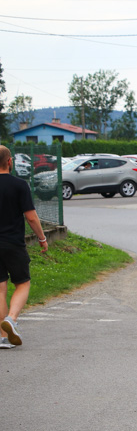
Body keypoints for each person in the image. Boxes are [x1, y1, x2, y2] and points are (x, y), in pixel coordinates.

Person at [0, 145, 49, 349]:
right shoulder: (19, 185)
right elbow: (30, 216)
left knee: (0, 288)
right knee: (22, 283)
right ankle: (11, 319)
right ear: (10, 161)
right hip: (12, 243)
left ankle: (3, 337)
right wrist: (41, 238)